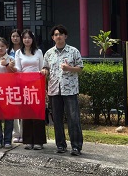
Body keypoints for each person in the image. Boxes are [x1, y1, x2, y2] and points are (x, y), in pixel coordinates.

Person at [43, 24, 84, 156]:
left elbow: (80, 68)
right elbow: (46, 68)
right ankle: (60, 145)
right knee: (57, 119)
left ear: (65, 36)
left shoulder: (73, 51)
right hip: (54, 90)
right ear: (52, 38)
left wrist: (69, 68)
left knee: (73, 118)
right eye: (56, 35)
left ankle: (76, 146)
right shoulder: (49, 53)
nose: (58, 36)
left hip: (70, 90)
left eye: (61, 34)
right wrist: (45, 71)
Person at [15, 29, 46, 150]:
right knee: (26, 113)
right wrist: (10, 67)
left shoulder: (38, 52)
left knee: (37, 113)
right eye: (24, 38)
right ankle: (28, 140)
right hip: (24, 85)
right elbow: (18, 69)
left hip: (37, 85)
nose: (27, 40)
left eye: (29, 37)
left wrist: (43, 72)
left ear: (33, 39)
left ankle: (39, 141)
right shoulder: (18, 52)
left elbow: (42, 67)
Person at [8, 29, 23, 143]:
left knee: (23, 109)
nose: (15, 38)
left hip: (23, 83)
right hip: (11, 83)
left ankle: (23, 132)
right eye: (13, 36)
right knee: (14, 109)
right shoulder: (7, 51)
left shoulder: (25, 51)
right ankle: (16, 133)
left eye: (17, 36)